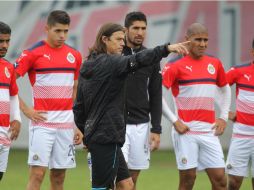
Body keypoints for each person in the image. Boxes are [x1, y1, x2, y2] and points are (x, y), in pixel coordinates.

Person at [73, 22, 189, 190]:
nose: (123, 43)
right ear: (105, 39)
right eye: (118, 39)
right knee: (102, 188)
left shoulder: (88, 64)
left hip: (100, 135)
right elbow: (138, 59)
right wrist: (166, 49)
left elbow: (78, 107)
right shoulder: (112, 63)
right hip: (107, 135)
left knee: (127, 185)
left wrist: (87, 132)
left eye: (123, 39)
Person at [14, 10, 83, 190]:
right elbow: (6, 82)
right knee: (37, 174)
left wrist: (78, 124)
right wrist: (26, 109)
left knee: (59, 176)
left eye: (66, 31)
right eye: (58, 31)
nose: (62, 35)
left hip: (66, 124)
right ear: (46, 29)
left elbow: (75, 90)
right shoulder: (32, 53)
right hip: (42, 123)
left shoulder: (74, 55)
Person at [162, 23, 231, 190]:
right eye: (198, 39)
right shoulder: (175, 64)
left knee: (220, 181)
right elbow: (158, 94)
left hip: (209, 131)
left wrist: (223, 116)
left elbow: (225, 89)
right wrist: (174, 120)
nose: (202, 44)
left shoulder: (214, 63)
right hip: (186, 131)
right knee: (188, 180)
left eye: (205, 40)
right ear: (187, 40)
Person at [121, 11, 161, 189]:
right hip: (117, 124)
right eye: (135, 28)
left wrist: (156, 128)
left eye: (143, 28)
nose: (140, 32)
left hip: (141, 126)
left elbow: (155, 93)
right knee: (119, 179)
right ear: (125, 30)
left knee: (133, 179)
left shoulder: (151, 57)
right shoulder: (114, 54)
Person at [226, 39, 254, 190]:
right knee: (234, 183)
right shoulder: (239, 71)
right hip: (241, 135)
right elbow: (218, 87)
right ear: (252, 52)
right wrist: (225, 112)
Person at [0, 22, 21, 181]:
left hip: (3, 131)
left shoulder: (8, 67)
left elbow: (13, 95)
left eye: (7, 41)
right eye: (1, 41)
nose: (5, 45)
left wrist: (17, 119)